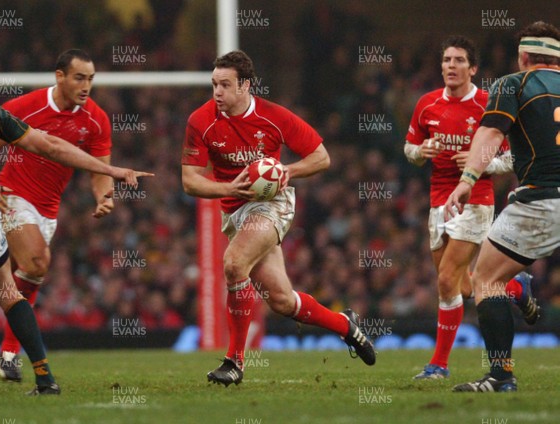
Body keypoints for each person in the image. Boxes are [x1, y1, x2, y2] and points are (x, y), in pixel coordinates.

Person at [0, 48, 151, 394]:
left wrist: (104, 193)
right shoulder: (25, 106)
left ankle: (10, 355)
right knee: (36, 262)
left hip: (47, 210)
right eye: (79, 77)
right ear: (59, 76)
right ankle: (14, 356)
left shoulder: (96, 119)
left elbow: (93, 164)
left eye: (91, 79)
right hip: (10, 197)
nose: (86, 85)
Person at [182, 50, 375, 387]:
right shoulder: (201, 121)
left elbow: (321, 157)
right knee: (282, 301)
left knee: (233, 263)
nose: (217, 92)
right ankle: (346, 326)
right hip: (233, 209)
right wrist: (229, 186)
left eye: (225, 85)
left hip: (271, 204)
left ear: (245, 86)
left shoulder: (274, 117)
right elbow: (190, 180)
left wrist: (287, 170)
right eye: (214, 84)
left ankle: (234, 362)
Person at [404, 36, 538, 380]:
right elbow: (409, 148)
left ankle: (439, 365)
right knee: (460, 286)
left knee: (446, 280)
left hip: (476, 199)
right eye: (447, 60)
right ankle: (515, 287)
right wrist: (422, 152)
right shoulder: (426, 104)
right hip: (438, 199)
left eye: (459, 60)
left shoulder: (487, 105)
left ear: (473, 68)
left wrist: (482, 165)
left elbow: (512, 157)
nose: (451, 65)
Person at [445, 21, 560, 392]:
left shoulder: (512, 83)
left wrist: (467, 180)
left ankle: (500, 375)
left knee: (486, 280)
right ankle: (520, 287)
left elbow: (492, 133)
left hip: (541, 199)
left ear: (524, 56)